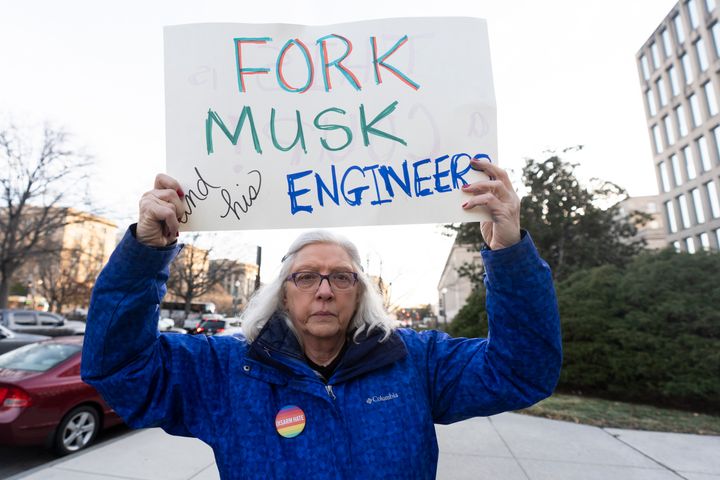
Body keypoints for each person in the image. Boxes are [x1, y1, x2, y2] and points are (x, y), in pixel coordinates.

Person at [81, 157, 562, 479]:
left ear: (360, 294)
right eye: (307, 277)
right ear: (283, 295)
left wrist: (509, 251)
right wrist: (144, 255)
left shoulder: (415, 360)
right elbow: (121, 371)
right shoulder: (225, 370)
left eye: (342, 278)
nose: (325, 290)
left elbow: (522, 372)